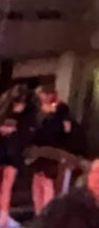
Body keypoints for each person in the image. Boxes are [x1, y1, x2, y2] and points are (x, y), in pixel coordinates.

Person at [26, 85, 82, 214]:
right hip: (42, 155)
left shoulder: (61, 115)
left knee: (49, 185)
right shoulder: (38, 115)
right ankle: (40, 214)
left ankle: (47, 214)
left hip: (55, 157)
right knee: (39, 184)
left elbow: (64, 135)